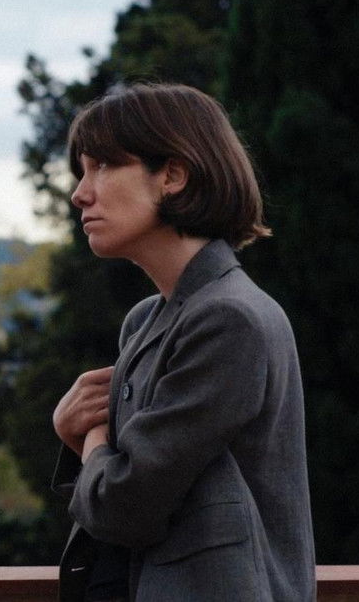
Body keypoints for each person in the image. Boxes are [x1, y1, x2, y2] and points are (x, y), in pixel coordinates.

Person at [50, 83, 316, 601]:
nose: (80, 193)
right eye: (81, 171)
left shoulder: (227, 320)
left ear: (173, 175)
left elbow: (125, 507)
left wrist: (85, 433)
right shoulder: (147, 321)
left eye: (102, 166)